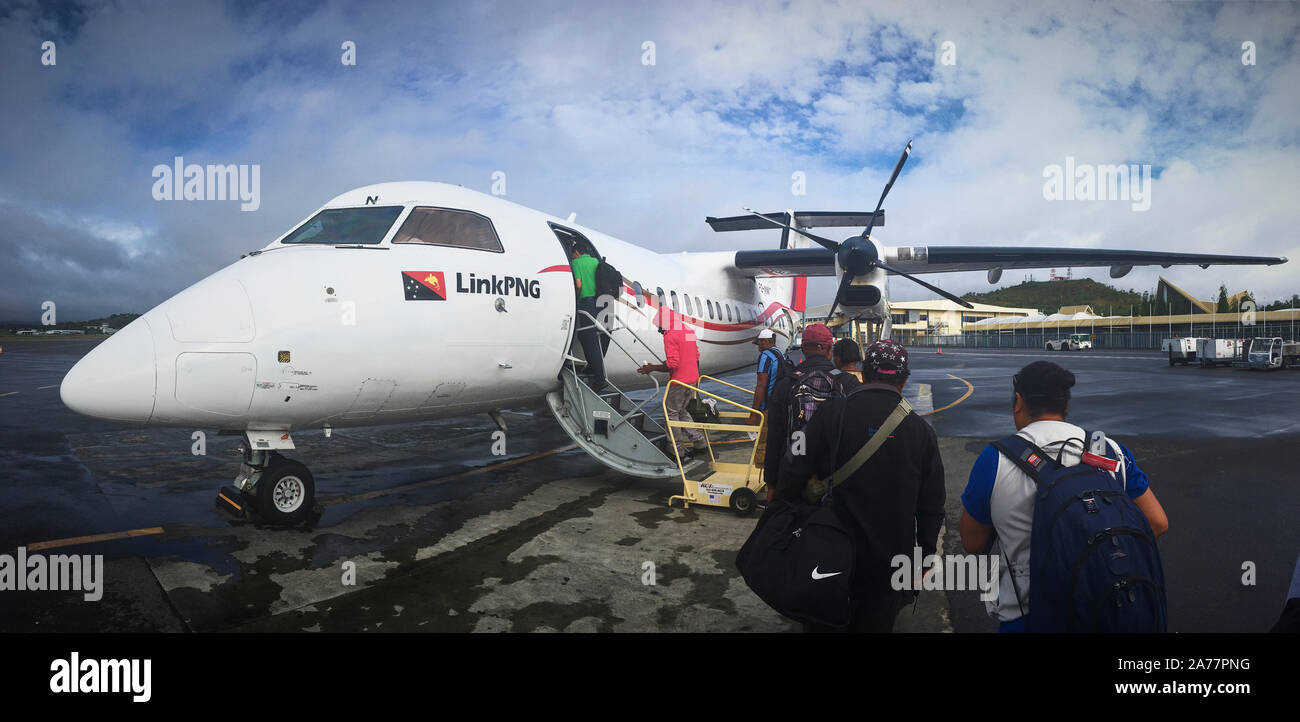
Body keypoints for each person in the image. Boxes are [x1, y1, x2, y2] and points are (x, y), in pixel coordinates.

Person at [958, 360, 1170, 633]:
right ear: (1066, 405)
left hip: (1027, 618)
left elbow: (972, 542)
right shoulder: (1111, 451)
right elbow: (1157, 522)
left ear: (1019, 401)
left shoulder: (994, 460)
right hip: (1104, 609)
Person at [781, 339, 945, 632]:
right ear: (905, 380)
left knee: (823, 621)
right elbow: (931, 504)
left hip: (829, 546)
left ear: (864, 373)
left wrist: (784, 515)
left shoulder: (831, 414)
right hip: (891, 557)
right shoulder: (921, 432)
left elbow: (795, 466)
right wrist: (926, 553)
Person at [762, 323, 857, 500]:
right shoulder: (848, 383)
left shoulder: (786, 383)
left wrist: (771, 483)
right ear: (830, 350)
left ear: (804, 349)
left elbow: (774, 438)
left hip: (793, 475)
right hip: (835, 477)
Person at [638, 306, 706, 460]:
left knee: (671, 414)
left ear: (664, 323)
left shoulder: (670, 335)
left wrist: (651, 368)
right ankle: (700, 443)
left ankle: (676, 451)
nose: (659, 330)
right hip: (692, 379)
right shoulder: (687, 330)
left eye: (659, 326)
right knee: (682, 411)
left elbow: (673, 364)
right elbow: (694, 355)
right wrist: (693, 379)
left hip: (679, 381)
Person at [569, 243, 605, 388]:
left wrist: (575, 299)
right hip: (599, 303)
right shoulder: (596, 261)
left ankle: (599, 378)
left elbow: (578, 284)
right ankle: (592, 367)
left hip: (586, 303)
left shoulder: (576, 262)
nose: (571, 256)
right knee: (585, 336)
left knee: (589, 339)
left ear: (576, 252)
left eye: (572, 253)